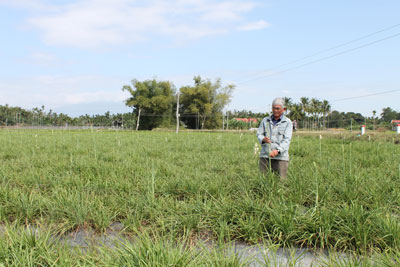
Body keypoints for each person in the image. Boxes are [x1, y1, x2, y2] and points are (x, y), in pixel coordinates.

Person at [257, 98, 293, 179]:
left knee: (281, 181)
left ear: (284, 109)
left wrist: (277, 151)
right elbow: (259, 134)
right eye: (274, 108)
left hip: (281, 158)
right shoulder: (265, 120)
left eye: (278, 108)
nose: (275, 110)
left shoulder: (287, 122)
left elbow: (287, 140)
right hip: (265, 156)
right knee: (263, 180)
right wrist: (263, 139)